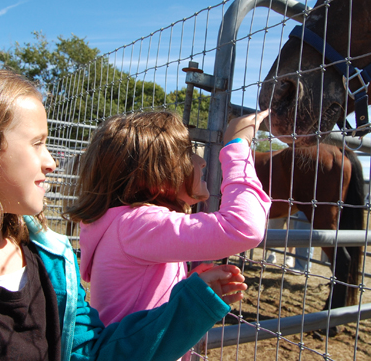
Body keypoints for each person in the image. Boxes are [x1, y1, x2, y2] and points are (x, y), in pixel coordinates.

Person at [0, 60, 248, 361]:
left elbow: (93, 354)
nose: (52, 162)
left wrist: (190, 305)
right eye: (38, 143)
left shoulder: (53, 262)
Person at [67, 109, 271, 337]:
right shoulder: (137, 225)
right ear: (153, 176)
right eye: (187, 153)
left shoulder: (123, 225)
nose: (201, 162)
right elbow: (243, 226)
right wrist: (237, 144)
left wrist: (186, 288)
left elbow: (141, 300)